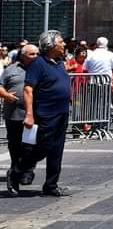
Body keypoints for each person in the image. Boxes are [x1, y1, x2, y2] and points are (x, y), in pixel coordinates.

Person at [9, 31, 71, 197]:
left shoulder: (59, 62)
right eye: (61, 42)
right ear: (50, 46)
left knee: (57, 150)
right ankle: (17, 171)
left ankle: (51, 185)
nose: (64, 44)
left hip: (62, 113)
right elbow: (28, 89)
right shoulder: (38, 63)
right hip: (46, 114)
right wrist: (29, 114)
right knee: (43, 148)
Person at [1, 44, 39, 194]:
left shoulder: (39, 69)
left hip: (34, 115)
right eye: (32, 54)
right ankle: (16, 168)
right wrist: (6, 95)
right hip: (14, 114)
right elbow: (0, 86)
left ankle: (27, 170)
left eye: (37, 54)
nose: (35, 57)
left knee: (31, 145)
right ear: (23, 56)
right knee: (15, 144)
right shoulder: (11, 70)